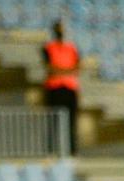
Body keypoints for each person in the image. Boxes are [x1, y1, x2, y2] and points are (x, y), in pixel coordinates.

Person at [42, 20, 80, 154]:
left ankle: (71, 150)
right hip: (54, 88)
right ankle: (52, 149)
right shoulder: (48, 47)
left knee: (71, 121)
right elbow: (49, 68)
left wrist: (61, 71)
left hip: (70, 88)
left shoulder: (71, 48)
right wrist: (66, 71)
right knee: (53, 120)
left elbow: (77, 67)